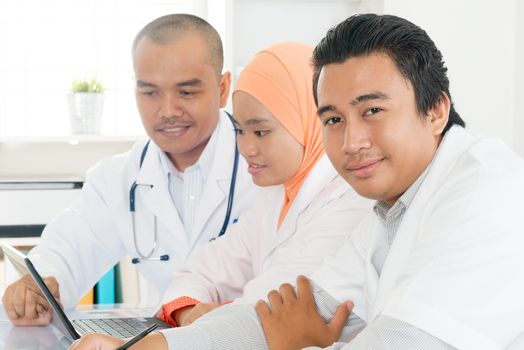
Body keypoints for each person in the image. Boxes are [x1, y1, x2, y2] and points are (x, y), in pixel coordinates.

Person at [70, 13, 524, 350]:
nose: (351, 141)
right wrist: (141, 348)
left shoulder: (484, 192)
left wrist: (292, 343)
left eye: (372, 111)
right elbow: (275, 315)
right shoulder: (389, 211)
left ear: (436, 110)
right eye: (332, 119)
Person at [69, 41, 371, 349]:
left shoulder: (350, 203)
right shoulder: (276, 195)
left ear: (311, 119)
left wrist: (143, 345)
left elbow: (265, 314)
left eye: (261, 131)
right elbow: (201, 269)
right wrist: (188, 311)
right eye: (240, 131)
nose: (246, 148)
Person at [2, 13, 256, 327]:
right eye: (150, 92)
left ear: (222, 88)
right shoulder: (118, 178)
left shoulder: (262, 167)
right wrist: (40, 287)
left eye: (187, 92)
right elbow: (66, 251)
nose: (167, 111)